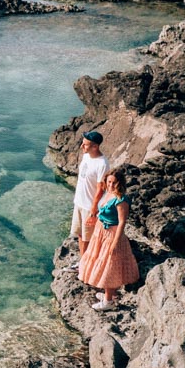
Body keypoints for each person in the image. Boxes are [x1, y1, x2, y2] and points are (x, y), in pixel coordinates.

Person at [79, 168, 140, 310]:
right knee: (102, 262)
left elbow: (122, 222)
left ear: (120, 183)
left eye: (114, 183)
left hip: (111, 234)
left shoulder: (121, 200)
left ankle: (108, 302)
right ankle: (110, 294)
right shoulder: (108, 194)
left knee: (109, 266)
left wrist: (115, 242)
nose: (111, 185)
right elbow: (102, 211)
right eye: (109, 182)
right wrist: (95, 219)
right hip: (100, 232)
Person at [70, 131, 108, 262]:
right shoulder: (86, 156)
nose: (82, 146)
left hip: (89, 206)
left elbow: (100, 189)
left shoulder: (102, 164)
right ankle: (82, 261)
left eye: (85, 145)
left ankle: (86, 264)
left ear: (95, 147)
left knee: (88, 238)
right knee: (80, 234)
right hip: (79, 203)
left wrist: (93, 211)